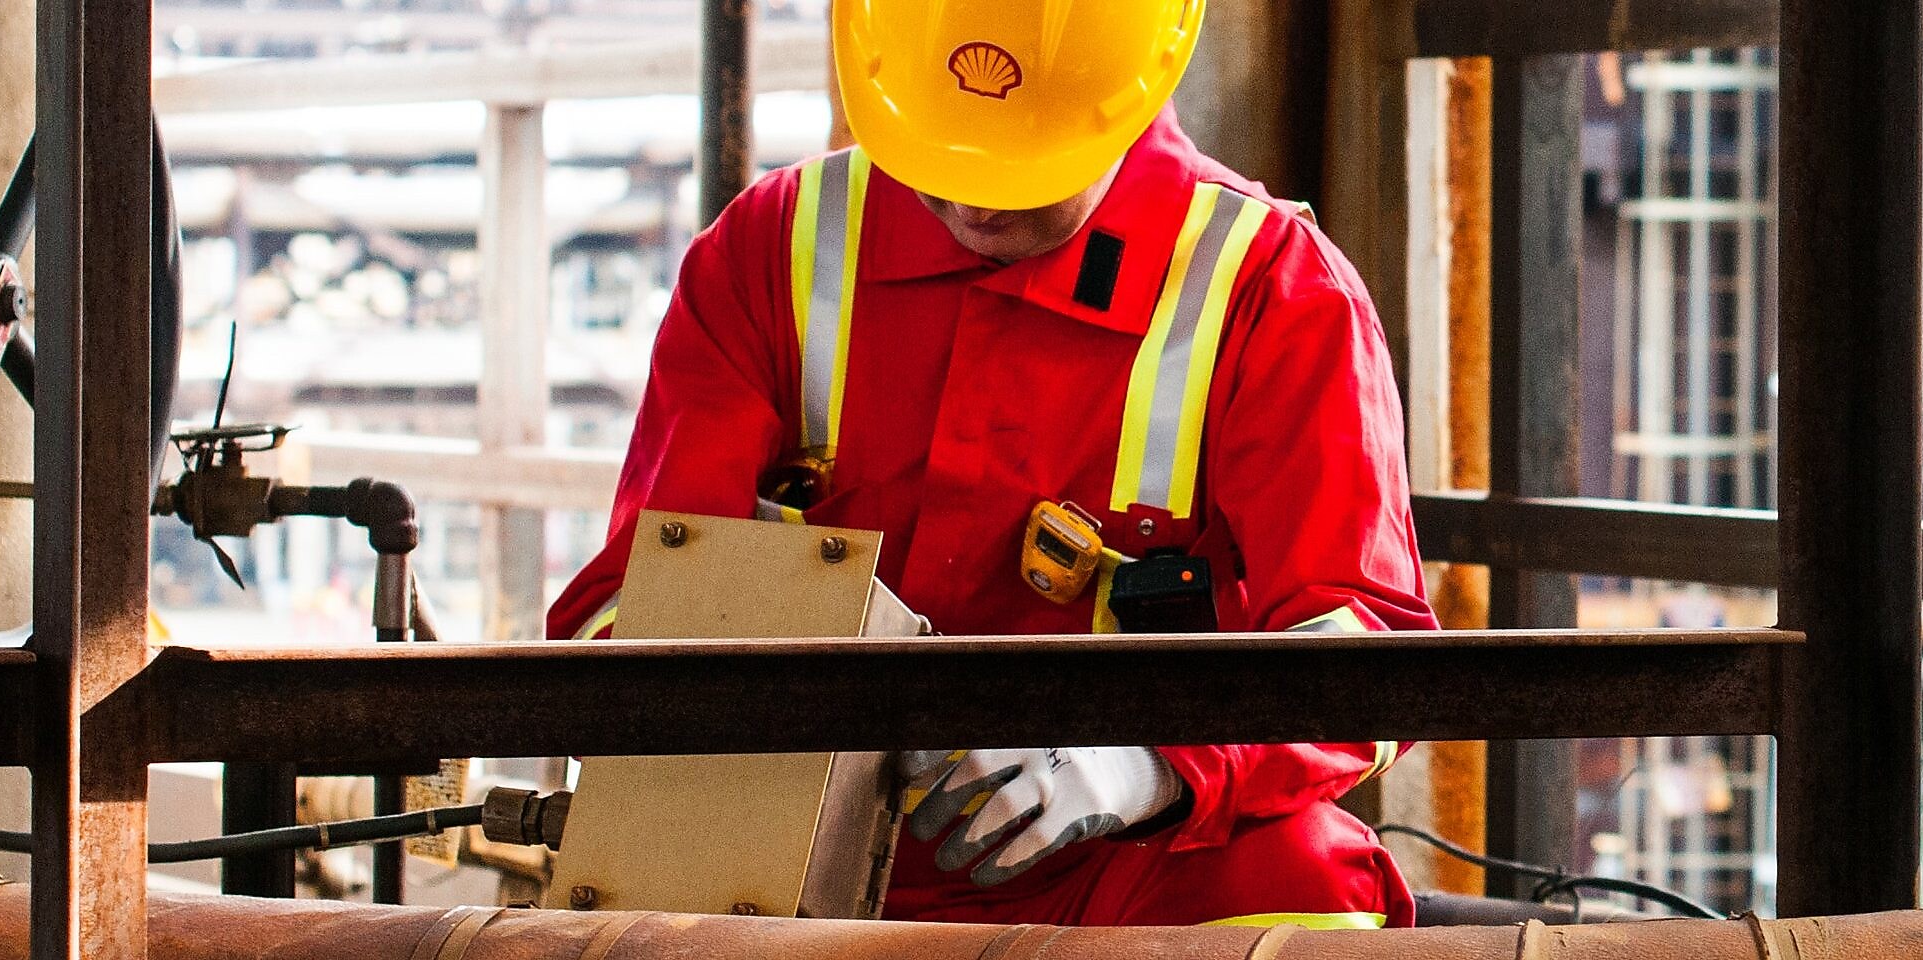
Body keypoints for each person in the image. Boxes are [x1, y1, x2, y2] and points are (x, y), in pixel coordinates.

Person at [543, 0, 1432, 928]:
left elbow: (1362, 648)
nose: (971, 204)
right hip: (780, 855)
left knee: (1301, 884)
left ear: (1129, 103)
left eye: (1023, 173)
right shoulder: (770, 251)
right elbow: (626, 601)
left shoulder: (1273, 292)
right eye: (941, 157)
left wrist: (1151, 761)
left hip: (1123, 868)